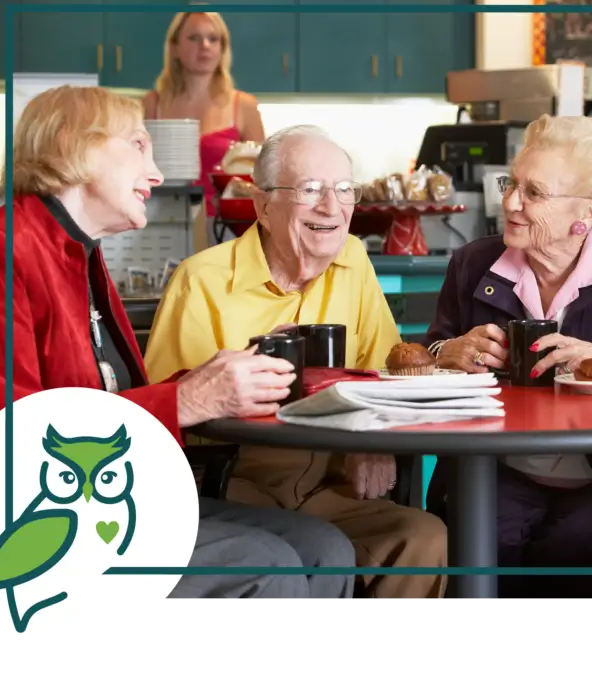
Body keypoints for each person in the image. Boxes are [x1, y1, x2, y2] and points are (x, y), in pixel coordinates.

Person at [0, 85, 356, 601]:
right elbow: (11, 434)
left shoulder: (81, 255)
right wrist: (188, 399)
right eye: (138, 145)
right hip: (49, 520)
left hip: (125, 497)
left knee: (327, 551)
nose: (156, 173)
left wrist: (210, 379)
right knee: (267, 566)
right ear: (75, 145)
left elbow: (106, 400)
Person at [143, 124, 448, 601]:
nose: (331, 207)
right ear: (263, 206)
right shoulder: (201, 280)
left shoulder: (353, 260)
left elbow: (385, 376)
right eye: (310, 190)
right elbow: (169, 421)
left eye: (344, 189)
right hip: (237, 483)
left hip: (333, 479)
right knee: (303, 552)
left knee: (422, 537)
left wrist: (373, 444)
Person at [423, 114, 592, 600]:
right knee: (486, 534)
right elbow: (426, 358)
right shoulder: (472, 264)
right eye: (512, 184)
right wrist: (449, 352)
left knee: (580, 539)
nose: (509, 202)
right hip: (499, 467)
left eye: (534, 192)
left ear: (589, 211)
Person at [142, 12, 266, 248]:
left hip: (226, 230)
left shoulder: (244, 106)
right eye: (194, 38)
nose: (205, 46)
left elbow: (263, 178)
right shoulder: (151, 105)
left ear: (223, 49)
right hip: (162, 224)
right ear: (175, 47)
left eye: (213, 38)